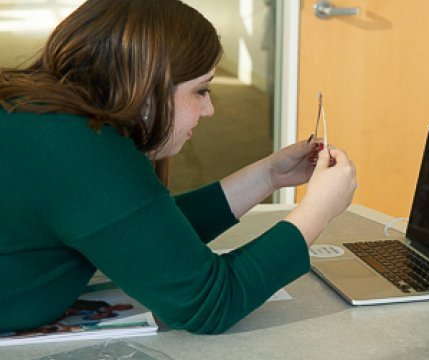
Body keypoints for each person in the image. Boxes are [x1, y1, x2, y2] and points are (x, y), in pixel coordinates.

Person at [0, 0, 357, 334]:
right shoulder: (84, 148)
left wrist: (269, 176)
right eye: (201, 90)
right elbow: (207, 301)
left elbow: (141, 231)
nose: (209, 109)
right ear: (147, 86)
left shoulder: (44, 116)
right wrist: (317, 211)